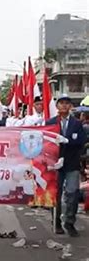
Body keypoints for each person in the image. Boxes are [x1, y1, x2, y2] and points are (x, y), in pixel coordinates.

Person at [46, 94, 86, 237]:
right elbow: (44, 142)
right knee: (55, 194)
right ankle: (56, 222)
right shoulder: (50, 122)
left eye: (66, 103)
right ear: (57, 106)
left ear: (70, 106)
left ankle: (70, 222)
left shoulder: (77, 123)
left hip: (72, 164)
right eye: (61, 103)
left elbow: (81, 141)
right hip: (54, 164)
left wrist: (67, 141)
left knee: (72, 193)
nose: (64, 105)